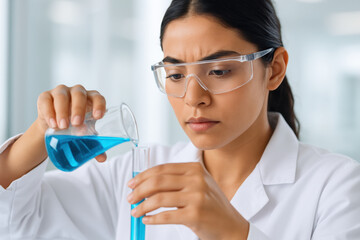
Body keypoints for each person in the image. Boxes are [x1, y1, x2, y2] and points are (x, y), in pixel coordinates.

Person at [1, 0, 360, 239]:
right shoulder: (137, 175)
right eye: (175, 75)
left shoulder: (337, 185)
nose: (193, 98)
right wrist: (42, 130)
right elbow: (18, 220)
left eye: (219, 71)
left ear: (274, 69)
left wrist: (233, 231)